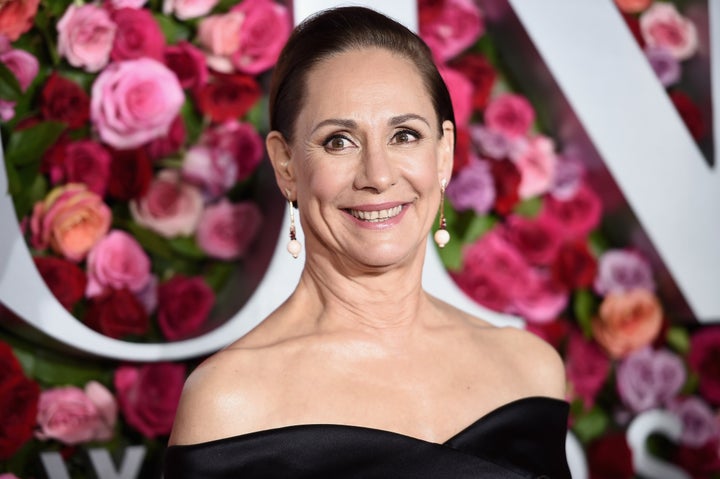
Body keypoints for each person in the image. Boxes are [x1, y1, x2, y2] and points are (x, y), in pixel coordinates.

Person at [164, 6, 571, 478]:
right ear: (286, 165)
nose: (377, 175)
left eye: (404, 135)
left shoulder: (530, 372)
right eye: (339, 141)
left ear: (443, 154)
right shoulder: (229, 405)